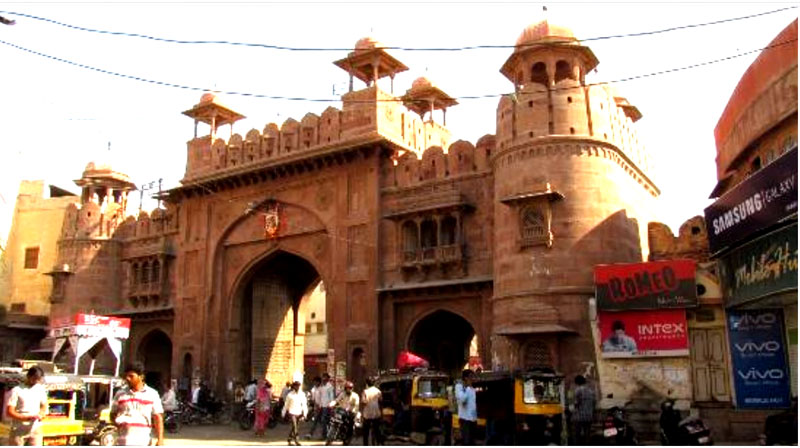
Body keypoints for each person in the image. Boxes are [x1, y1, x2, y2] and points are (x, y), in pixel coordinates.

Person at [111, 361, 165, 446]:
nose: (128, 378)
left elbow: (158, 418)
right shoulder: (120, 394)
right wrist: (120, 425)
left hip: (143, 441)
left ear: (141, 377)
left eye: (131, 376)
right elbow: (113, 414)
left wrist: (160, 440)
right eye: (126, 376)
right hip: (122, 442)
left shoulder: (152, 394)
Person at [5, 365, 48, 446]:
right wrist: (26, 418)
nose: (36, 381)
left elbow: (44, 405)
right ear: (28, 376)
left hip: (35, 428)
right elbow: (9, 412)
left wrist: (41, 414)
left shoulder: (40, 389)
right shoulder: (16, 390)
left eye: (38, 380)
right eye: (34, 379)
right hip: (18, 430)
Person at [282, 381, 308, 446]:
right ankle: (297, 440)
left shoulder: (302, 394)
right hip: (292, 412)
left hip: (299, 412)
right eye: (296, 386)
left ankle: (289, 438)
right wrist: (283, 412)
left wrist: (305, 413)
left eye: (298, 386)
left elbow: (304, 404)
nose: (297, 387)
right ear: (293, 386)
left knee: (295, 427)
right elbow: (286, 405)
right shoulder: (290, 395)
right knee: (295, 426)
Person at [455, 369, 477, 446]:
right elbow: (462, 400)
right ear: (466, 378)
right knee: (466, 442)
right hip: (465, 419)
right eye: (471, 376)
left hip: (473, 419)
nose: (473, 378)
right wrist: (467, 388)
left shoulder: (472, 388)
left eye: (473, 377)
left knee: (472, 441)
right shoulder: (459, 387)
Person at [308, 373, 334, 439]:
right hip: (321, 406)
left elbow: (331, 398)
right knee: (318, 420)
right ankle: (315, 434)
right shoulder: (322, 387)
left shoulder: (330, 387)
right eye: (323, 377)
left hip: (327, 406)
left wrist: (330, 406)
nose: (324, 379)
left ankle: (325, 435)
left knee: (324, 421)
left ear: (328, 379)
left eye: (325, 378)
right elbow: (320, 397)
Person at [572, 375, 595, 446]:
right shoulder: (591, 391)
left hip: (579, 416)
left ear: (576, 382)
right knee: (587, 434)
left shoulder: (578, 390)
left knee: (577, 435)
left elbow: (576, 403)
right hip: (589, 416)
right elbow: (594, 403)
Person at [361, 377, 383, 445]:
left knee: (365, 433)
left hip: (367, 414)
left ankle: (366, 445)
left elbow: (363, 402)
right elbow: (380, 401)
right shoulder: (378, 391)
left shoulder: (365, 391)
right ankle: (379, 443)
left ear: (367, 383)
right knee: (377, 430)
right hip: (376, 413)